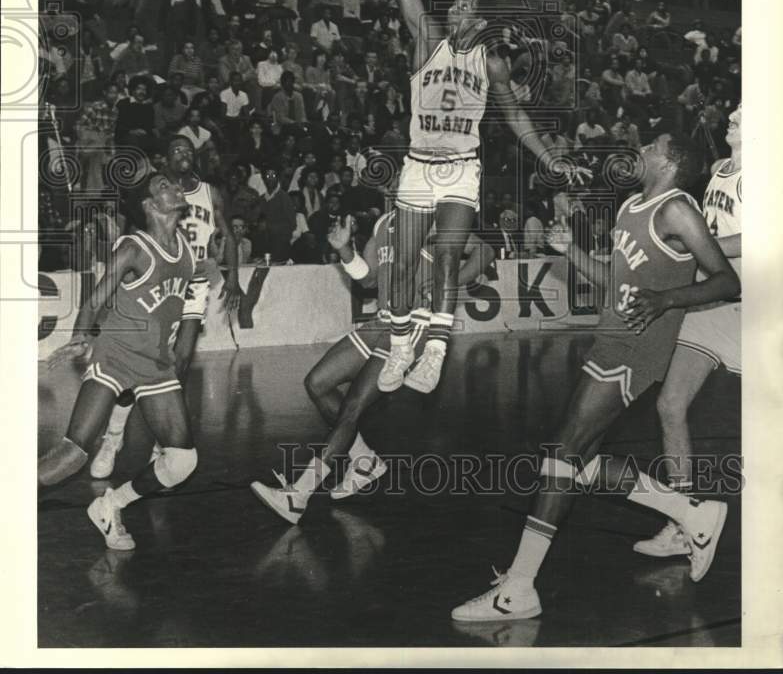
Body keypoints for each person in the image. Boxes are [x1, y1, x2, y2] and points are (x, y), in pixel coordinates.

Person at [452, 132, 741, 622]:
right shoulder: (633, 205)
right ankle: (694, 512)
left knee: (564, 453)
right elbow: (616, 280)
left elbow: (725, 279)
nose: (642, 150)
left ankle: (519, 589)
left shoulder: (678, 210)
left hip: (638, 346)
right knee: (578, 460)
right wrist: (568, 251)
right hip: (610, 338)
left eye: (652, 146)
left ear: (670, 163)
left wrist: (666, 300)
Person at [381, 0, 556, 396]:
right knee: (404, 260)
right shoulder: (426, 42)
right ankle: (398, 348)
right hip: (417, 164)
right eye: (452, 5)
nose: (452, 9)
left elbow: (515, 117)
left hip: (461, 169)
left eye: (461, 6)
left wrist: (547, 157)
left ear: (477, 17)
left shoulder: (492, 64)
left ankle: (433, 351)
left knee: (450, 257)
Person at [249, 212, 494, 522]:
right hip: (382, 321)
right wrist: (344, 250)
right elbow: (368, 278)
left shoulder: (433, 221)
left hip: (415, 324)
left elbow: (485, 250)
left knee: (352, 406)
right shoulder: (382, 224)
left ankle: (299, 495)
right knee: (318, 383)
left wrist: (449, 281)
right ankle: (364, 461)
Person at [38, 172, 199, 550]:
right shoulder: (134, 247)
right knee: (73, 453)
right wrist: (80, 336)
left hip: (155, 364)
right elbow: (94, 301)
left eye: (174, 184)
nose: (175, 188)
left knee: (181, 462)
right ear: (148, 205)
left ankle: (110, 505)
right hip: (116, 356)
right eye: (164, 186)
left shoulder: (188, 250)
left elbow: (183, 310)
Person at [90, 136, 241, 479]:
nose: (184, 153)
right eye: (176, 149)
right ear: (165, 160)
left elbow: (228, 234)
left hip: (196, 280)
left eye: (188, 148)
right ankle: (113, 436)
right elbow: (133, 234)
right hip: (157, 280)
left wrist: (233, 279)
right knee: (140, 361)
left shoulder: (210, 193)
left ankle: (165, 442)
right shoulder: (155, 193)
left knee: (182, 359)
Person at [634, 106, 742, 558]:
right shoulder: (720, 170)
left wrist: (697, 248)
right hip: (713, 304)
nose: (734, 114)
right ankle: (684, 519)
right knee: (670, 405)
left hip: (758, 310)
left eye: (743, 114)